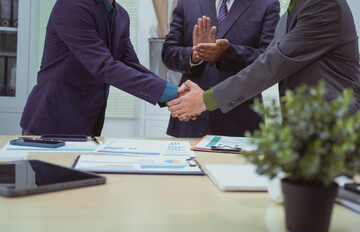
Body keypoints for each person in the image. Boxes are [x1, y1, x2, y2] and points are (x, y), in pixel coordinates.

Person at [168, 0, 360, 120]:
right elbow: (267, 60)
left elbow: (271, 64)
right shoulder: (293, 11)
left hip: (335, 126)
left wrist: (206, 99)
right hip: (308, 127)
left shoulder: (323, 5)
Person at [20, 0, 178, 136]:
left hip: (88, 126)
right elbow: (104, 66)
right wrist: (171, 92)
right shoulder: (73, 5)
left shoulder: (121, 15)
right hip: (51, 123)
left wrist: (176, 93)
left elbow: (130, 65)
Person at [162, 0, 280, 137]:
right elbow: (168, 53)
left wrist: (227, 54)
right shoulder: (187, 2)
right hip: (191, 119)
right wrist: (196, 55)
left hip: (240, 119)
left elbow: (268, 59)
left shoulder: (267, 4)